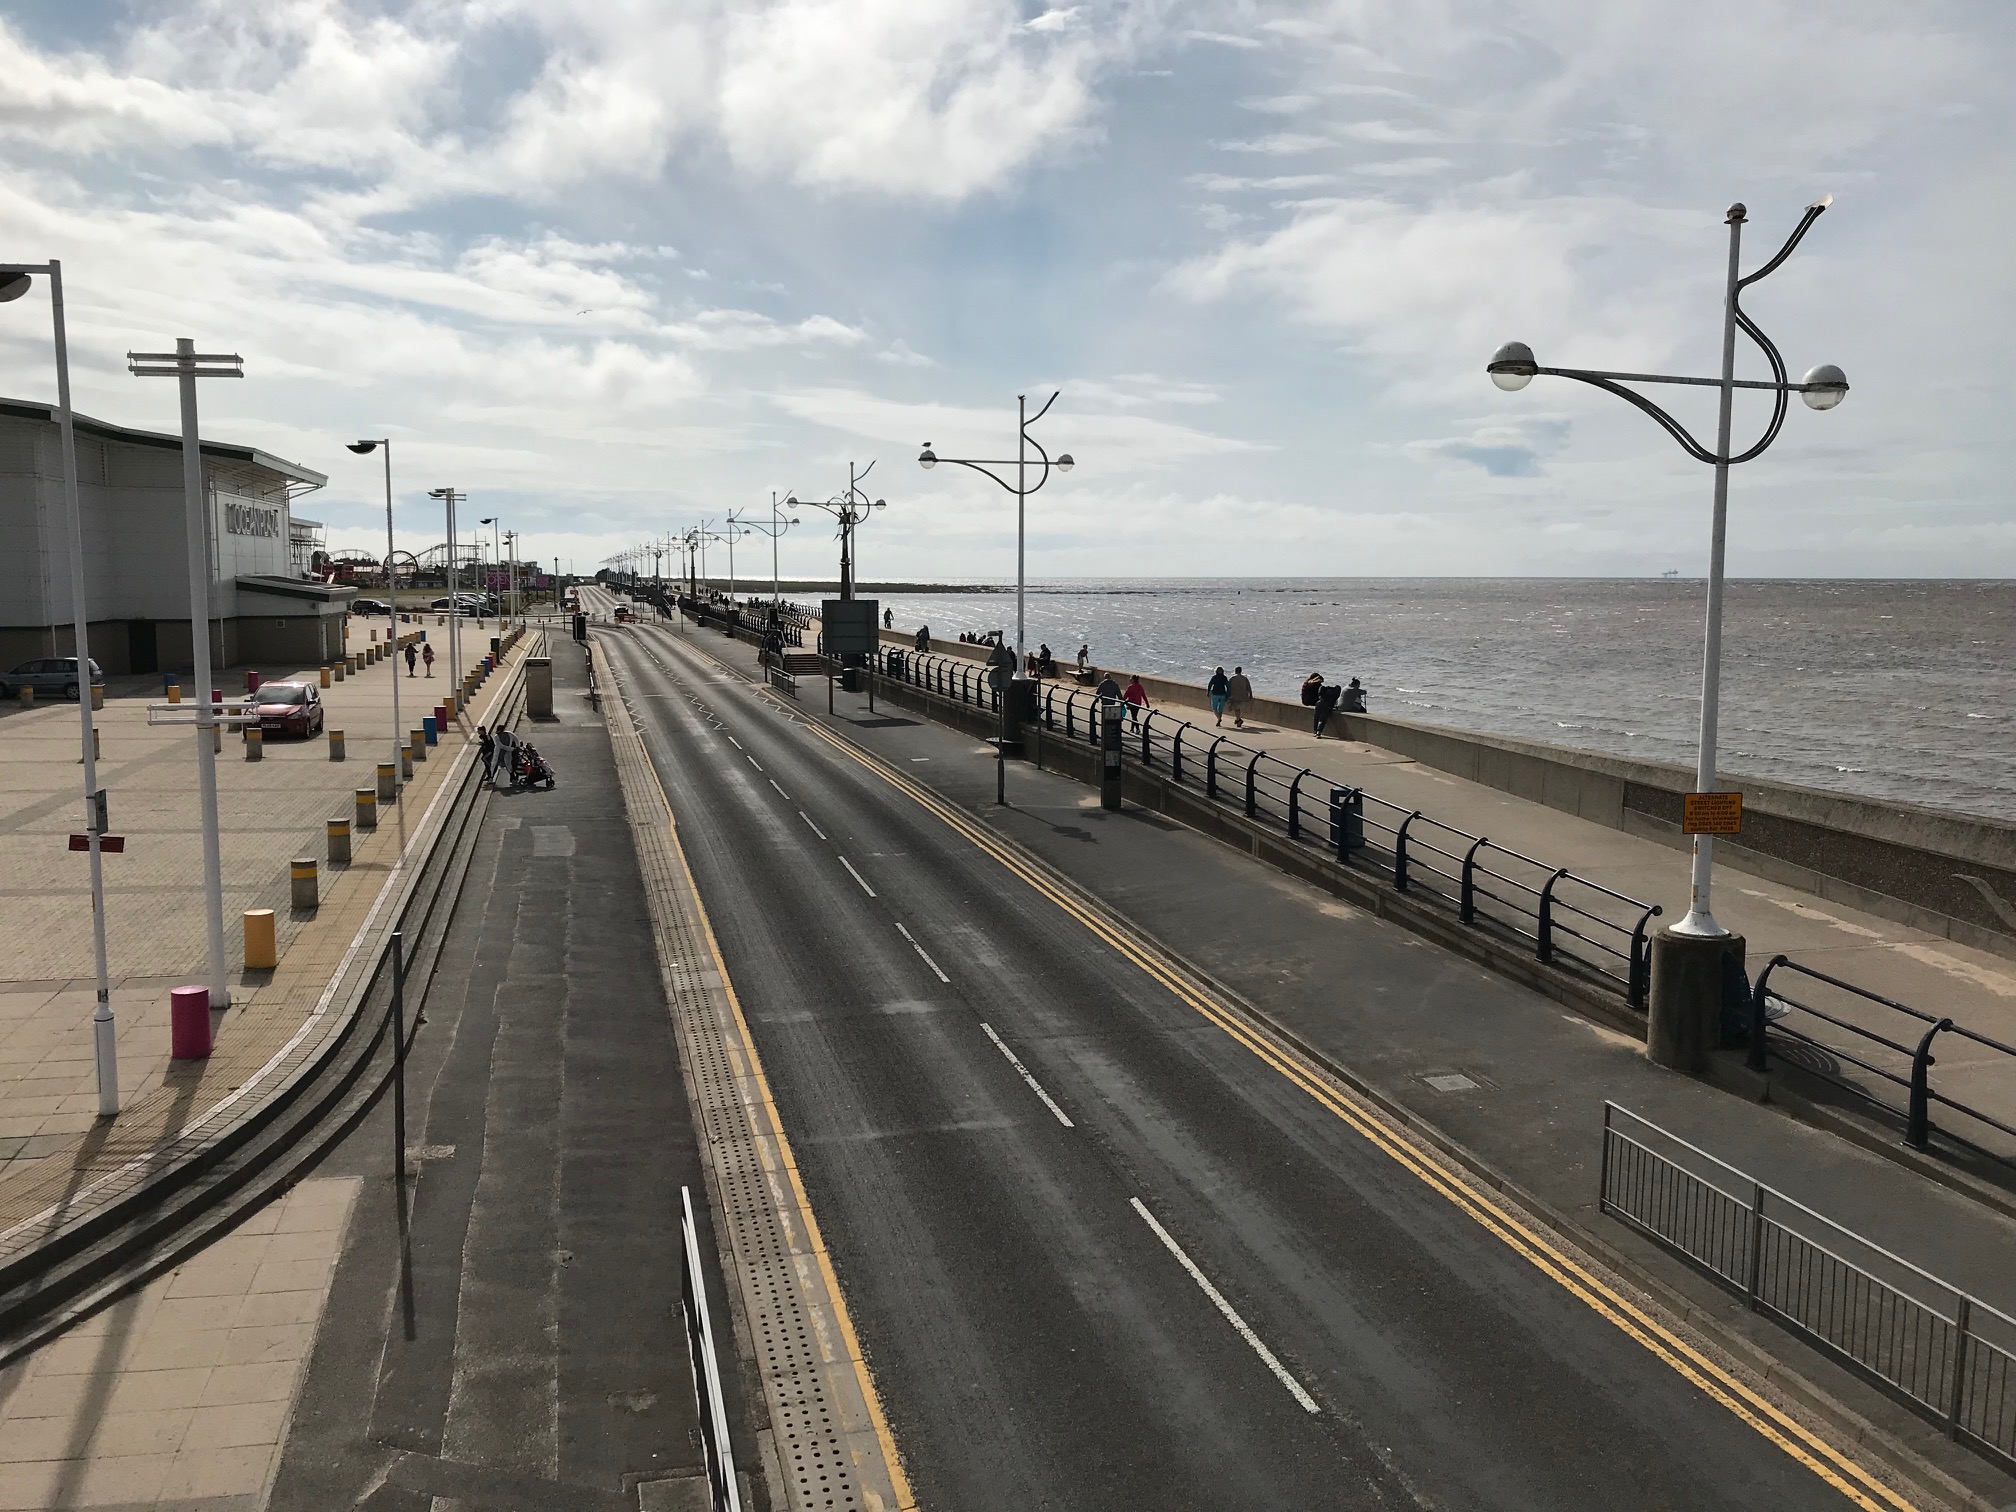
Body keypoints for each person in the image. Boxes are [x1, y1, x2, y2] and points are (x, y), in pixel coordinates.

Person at [491, 724, 518, 788]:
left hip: (507, 753)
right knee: (495, 765)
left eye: (500, 733)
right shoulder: (496, 737)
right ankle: (491, 778)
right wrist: (512, 749)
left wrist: (517, 746)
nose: (499, 735)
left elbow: (516, 739)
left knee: (509, 766)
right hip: (499, 753)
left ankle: (513, 779)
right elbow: (501, 746)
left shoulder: (510, 734)